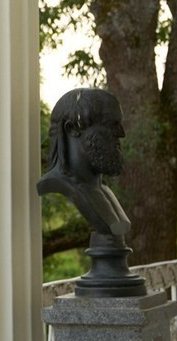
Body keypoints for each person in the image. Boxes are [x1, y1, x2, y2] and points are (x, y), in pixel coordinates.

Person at [36, 87, 131, 239]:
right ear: (72, 128)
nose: (121, 133)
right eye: (110, 124)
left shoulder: (104, 190)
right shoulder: (60, 184)